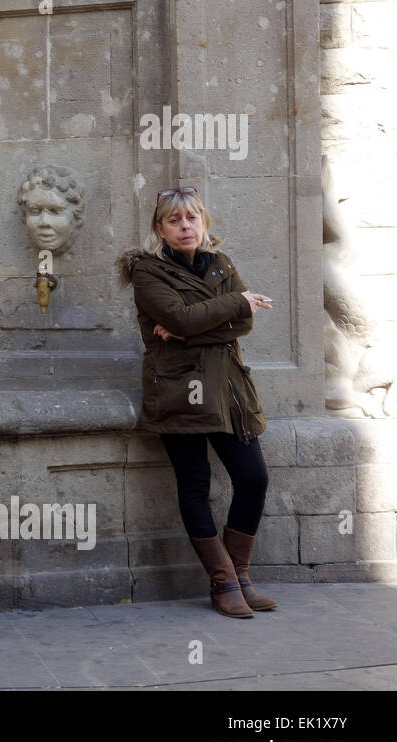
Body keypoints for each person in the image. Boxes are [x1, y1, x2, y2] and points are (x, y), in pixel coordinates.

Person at [116, 187, 277, 618]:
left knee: (254, 477)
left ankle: (241, 575)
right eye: (174, 220)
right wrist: (235, 303)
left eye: (192, 218)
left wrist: (192, 328)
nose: (185, 227)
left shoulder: (221, 264)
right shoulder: (148, 272)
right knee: (195, 484)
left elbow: (240, 325)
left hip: (228, 391)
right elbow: (184, 317)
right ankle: (223, 583)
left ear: (203, 222)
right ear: (159, 229)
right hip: (179, 389)